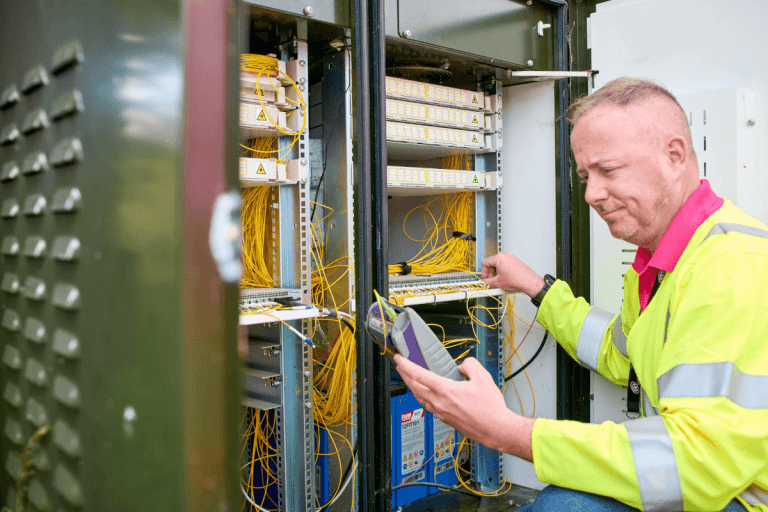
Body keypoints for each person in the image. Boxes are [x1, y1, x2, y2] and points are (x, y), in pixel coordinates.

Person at [394, 77, 768, 511]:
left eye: (608, 170)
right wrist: (537, 288)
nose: (591, 194)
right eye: (585, 176)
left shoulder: (732, 267)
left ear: (675, 156)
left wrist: (507, 431)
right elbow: (620, 353)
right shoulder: (662, 261)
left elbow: (697, 463)